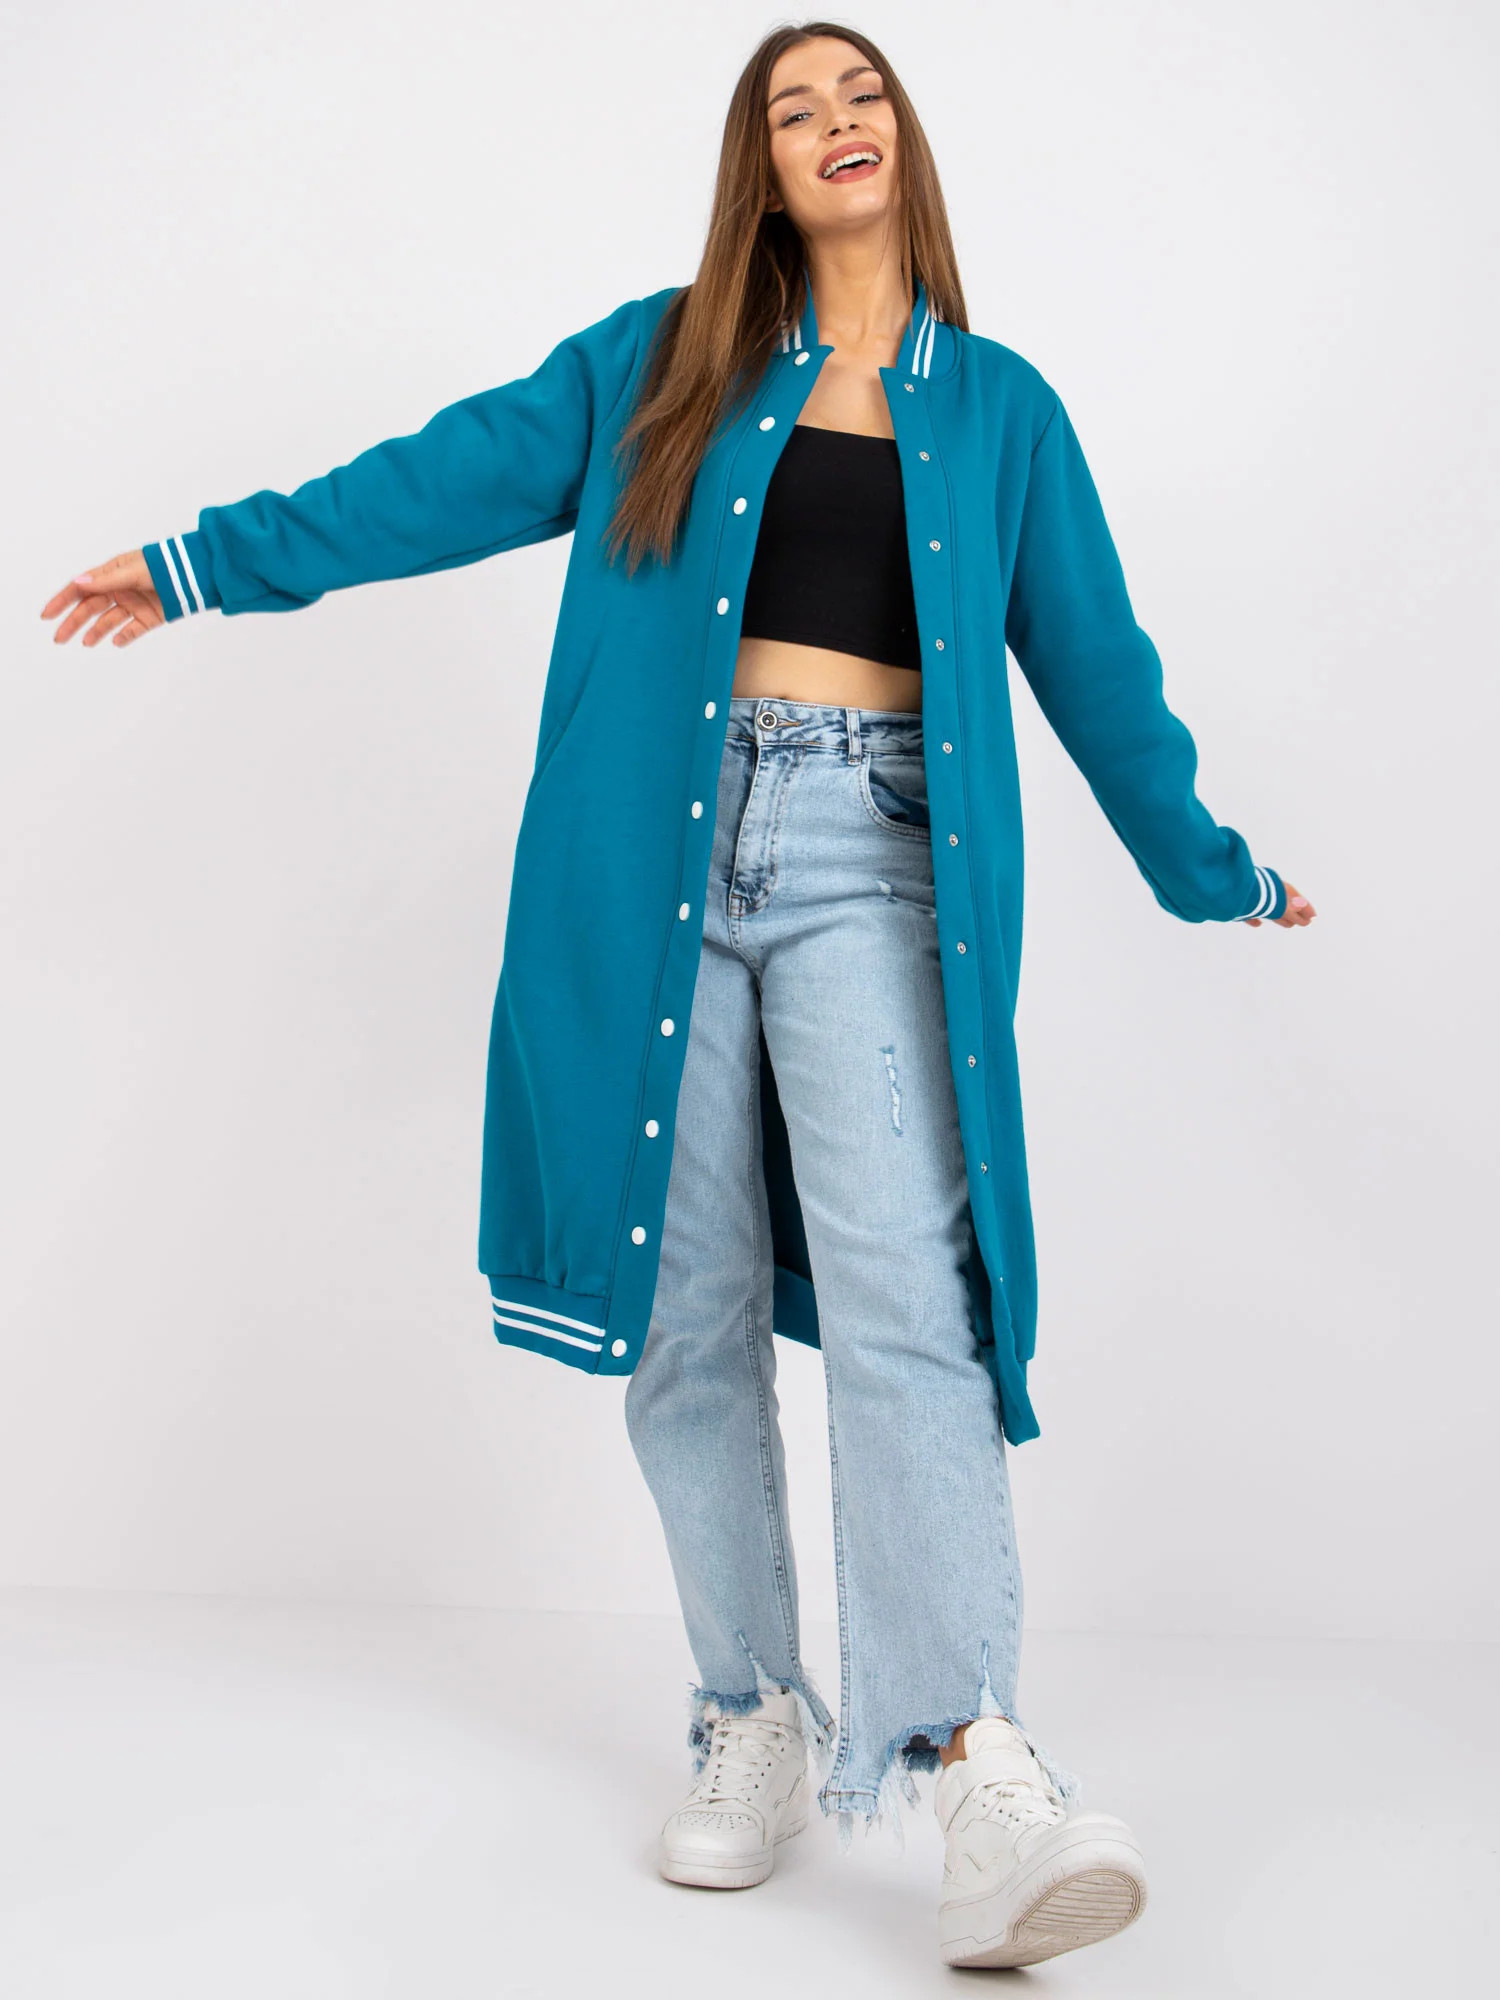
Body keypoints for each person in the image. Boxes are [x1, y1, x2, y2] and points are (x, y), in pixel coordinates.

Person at [40, 18, 1316, 1971]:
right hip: (649, 857)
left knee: (908, 1300)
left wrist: (1212, 866)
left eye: (860, 94)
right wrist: (205, 561)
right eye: (794, 109)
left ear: (905, 141)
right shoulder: (661, 360)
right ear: (762, 169)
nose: (835, 122)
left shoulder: (1002, 412)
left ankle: (974, 1763)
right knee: (682, 1306)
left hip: (872, 860)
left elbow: (1101, 675)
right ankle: (752, 1713)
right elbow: (438, 478)